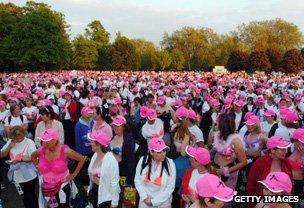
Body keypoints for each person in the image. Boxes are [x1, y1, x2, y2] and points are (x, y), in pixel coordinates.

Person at [31, 128, 85, 208]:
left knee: (64, 206)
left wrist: (74, 174)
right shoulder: (41, 150)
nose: (43, 143)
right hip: (48, 188)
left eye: (46, 140)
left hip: (62, 187)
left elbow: (82, 159)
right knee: (53, 206)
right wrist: (38, 168)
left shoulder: (65, 151)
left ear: (54, 140)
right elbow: (33, 156)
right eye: (43, 140)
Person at [0, 126, 38, 208]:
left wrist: (20, 159)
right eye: (14, 138)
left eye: (18, 138)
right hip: (16, 176)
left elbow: (34, 157)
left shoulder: (29, 142)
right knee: (23, 196)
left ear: (23, 135)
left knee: (31, 195)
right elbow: (2, 154)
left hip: (30, 175)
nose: (16, 140)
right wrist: (9, 146)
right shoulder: (11, 141)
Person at [209, 113, 247, 191]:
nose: (216, 123)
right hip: (215, 168)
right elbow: (212, 148)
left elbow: (243, 162)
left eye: (218, 122)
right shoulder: (219, 135)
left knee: (225, 193)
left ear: (223, 125)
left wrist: (225, 171)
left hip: (228, 172)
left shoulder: (235, 141)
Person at [134, 137, 176, 207]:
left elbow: (170, 187)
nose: (163, 154)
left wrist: (154, 202)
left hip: (163, 204)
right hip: (145, 203)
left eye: (164, 150)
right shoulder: (143, 160)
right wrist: (144, 197)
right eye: (159, 152)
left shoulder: (170, 164)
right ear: (151, 152)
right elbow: (137, 180)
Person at [87, 131, 120, 208]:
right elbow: (91, 174)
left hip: (106, 196)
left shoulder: (111, 160)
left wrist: (114, 202)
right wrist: (89, 189)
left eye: (92, 141)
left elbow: (114, 182)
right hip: (95, 192)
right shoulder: (95, 155)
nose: (90, 143)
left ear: (99, 144)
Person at [110, 116, 136, 186]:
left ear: (124, 126)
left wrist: (129, 180)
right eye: (114, 125)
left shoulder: (128, 140)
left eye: (118, 125)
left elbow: (130, 161)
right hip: (111, 168)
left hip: (122, 170)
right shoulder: (113, 136)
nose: (115, 127)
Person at [288, 128, 304, 207]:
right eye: (299, 141)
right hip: (290, 182)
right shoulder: (288, 149)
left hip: (301, 184)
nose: (301, 144)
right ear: (295, 141)